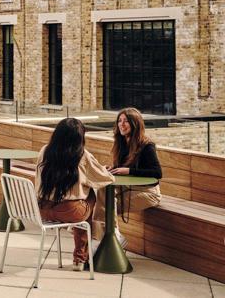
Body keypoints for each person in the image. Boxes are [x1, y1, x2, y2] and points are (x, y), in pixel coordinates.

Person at [36, 118, 114, 271]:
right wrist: (107, 170)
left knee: (81, 203)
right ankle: (80, 258)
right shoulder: (82, 155)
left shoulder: (44, 150)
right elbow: (104, 178)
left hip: (42, 210)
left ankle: (82, 254)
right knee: (89, 196)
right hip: (70, 212)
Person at [94, 107, 162, 245]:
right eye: (120, 121)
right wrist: (112, 168)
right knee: (102, 192)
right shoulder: (122, 143)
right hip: (128, 188)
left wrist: (129, 171)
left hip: (148, 192)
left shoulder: (147, 146)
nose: (121, 124)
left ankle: (107, 241)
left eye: (126, 121)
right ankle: (112, 237)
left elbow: (157, 173)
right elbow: (123, 167)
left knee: (103, 208)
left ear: (135, 123)